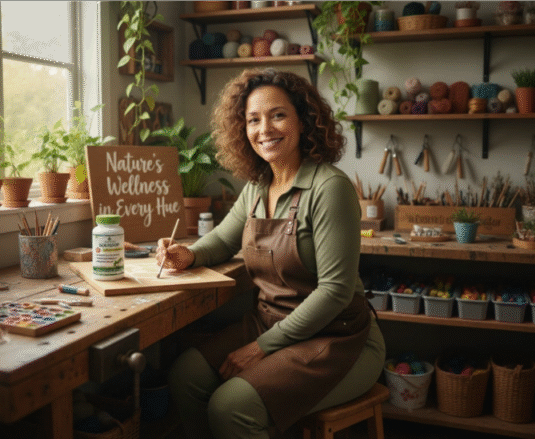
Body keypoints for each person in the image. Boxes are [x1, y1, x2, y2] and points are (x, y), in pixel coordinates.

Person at [157, 68, 386, 439]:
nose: (265, 129)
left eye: (278, 115)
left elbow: (335, 292)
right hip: (271, 320)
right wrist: (188, 254)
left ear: (303, 120)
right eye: (253, 119)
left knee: (230, 405)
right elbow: (223, 240)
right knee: (185, 376)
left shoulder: (329, 188)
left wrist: (261, 348)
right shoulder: (258, 185)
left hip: (337, 337)